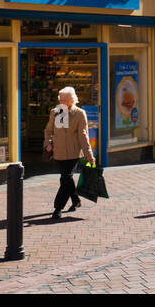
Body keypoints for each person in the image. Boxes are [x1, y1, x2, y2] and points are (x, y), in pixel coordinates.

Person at [43, 85, 94, 219]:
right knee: (67, 179)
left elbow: (83, 135)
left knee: (65, 178)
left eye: (65, 99)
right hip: (59, 152)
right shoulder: (56, 112)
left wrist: (89, 154)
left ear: (72, 100)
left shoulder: (79, 113)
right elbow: (48, 130)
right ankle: (76, 200)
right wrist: (48, 143)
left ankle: (57, 208)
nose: (61, 102)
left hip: (73, 153)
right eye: (60, 99)